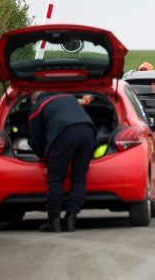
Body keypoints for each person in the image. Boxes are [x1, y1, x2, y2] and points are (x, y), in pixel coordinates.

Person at [28, 91, 96, 232]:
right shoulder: (69, 97)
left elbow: (34, 140)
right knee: (79, 178)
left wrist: (42, 155)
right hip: (89, 131)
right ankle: (71, 220)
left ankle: (54, 222)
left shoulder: (38, 106)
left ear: (33, 102)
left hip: (65, 134)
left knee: (56, 178)